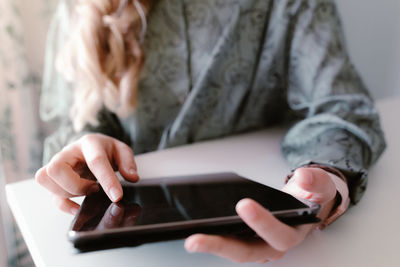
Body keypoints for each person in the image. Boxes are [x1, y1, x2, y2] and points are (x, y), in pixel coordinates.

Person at [35, 0, 386, 263]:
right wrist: (85, 147)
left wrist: (324, 178)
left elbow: (340, 106)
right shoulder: (80, 8)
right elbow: (82, 117)